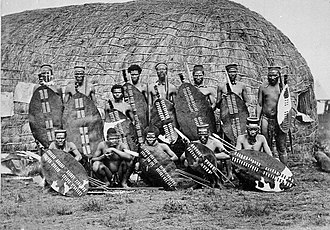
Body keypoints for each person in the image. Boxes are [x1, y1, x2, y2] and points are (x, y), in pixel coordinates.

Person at [256, 66, 288, 165]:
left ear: (279, 76)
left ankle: (284, 169)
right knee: (266, 144)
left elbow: (287, 104)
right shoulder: (263, 87)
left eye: (275, 75)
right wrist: (257, 119)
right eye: (270, 75)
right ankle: (269, 168)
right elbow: (260, 104)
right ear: (267, 76)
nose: (272, 78)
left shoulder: (282, 88)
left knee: (281, 146)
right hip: (266, 118)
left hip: (279, 120)